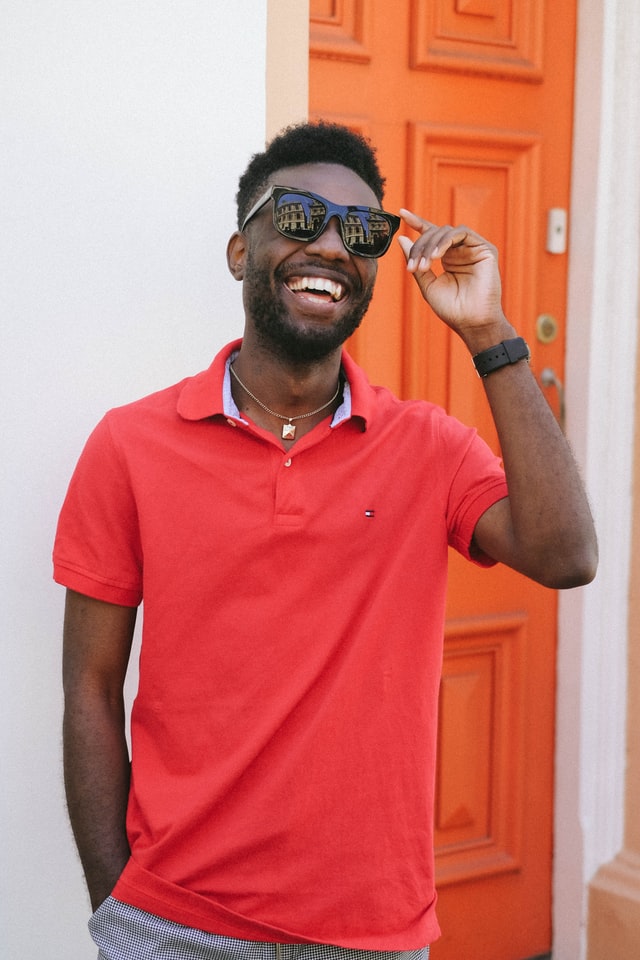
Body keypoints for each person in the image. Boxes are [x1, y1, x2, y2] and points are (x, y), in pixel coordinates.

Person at [55, 121, 597, 960]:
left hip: (372, 928)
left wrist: (490, 333)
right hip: (172, 924)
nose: (333, 246)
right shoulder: (129, 445)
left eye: (363, 231)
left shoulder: (428, 446)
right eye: (301, 216)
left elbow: (567, 555)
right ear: (241, 250)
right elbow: (90, 686)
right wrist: (116, 908)